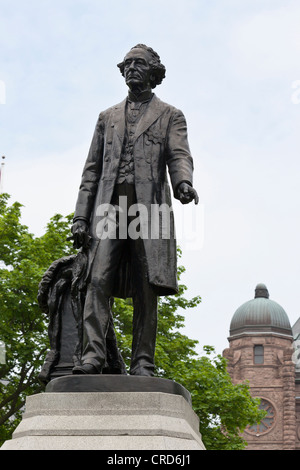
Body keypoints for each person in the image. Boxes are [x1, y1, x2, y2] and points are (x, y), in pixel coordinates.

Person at [71, 44, 198, 376]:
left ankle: (143, 361)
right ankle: (93, 356)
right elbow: (91, 171)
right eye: (127, 64)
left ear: (153, 71)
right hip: (108, 209)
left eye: (138, 64)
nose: (131, 69)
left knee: (146, 286)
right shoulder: (107, 117)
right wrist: (81, 216)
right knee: (97, 280)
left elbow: (179, 155)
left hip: (148, 209)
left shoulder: (170, 115)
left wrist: (183, 182)